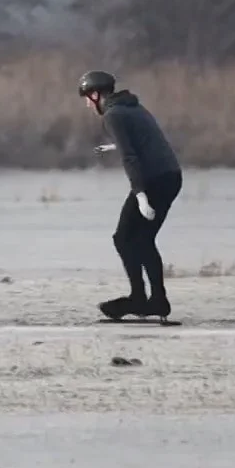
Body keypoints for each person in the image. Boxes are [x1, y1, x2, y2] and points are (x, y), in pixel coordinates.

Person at [80, 70, 183, 320]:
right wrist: (113, 146)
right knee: (142, 239)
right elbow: (144, 139)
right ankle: (155, 300)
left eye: (87, 98)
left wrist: (140, 195)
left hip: (154, 180)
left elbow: (130, 157)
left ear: (96, 95)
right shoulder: (132, 107)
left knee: (125, 238)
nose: (87, 105)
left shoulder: (112, 115)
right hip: (169, 176)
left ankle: (141, 299)